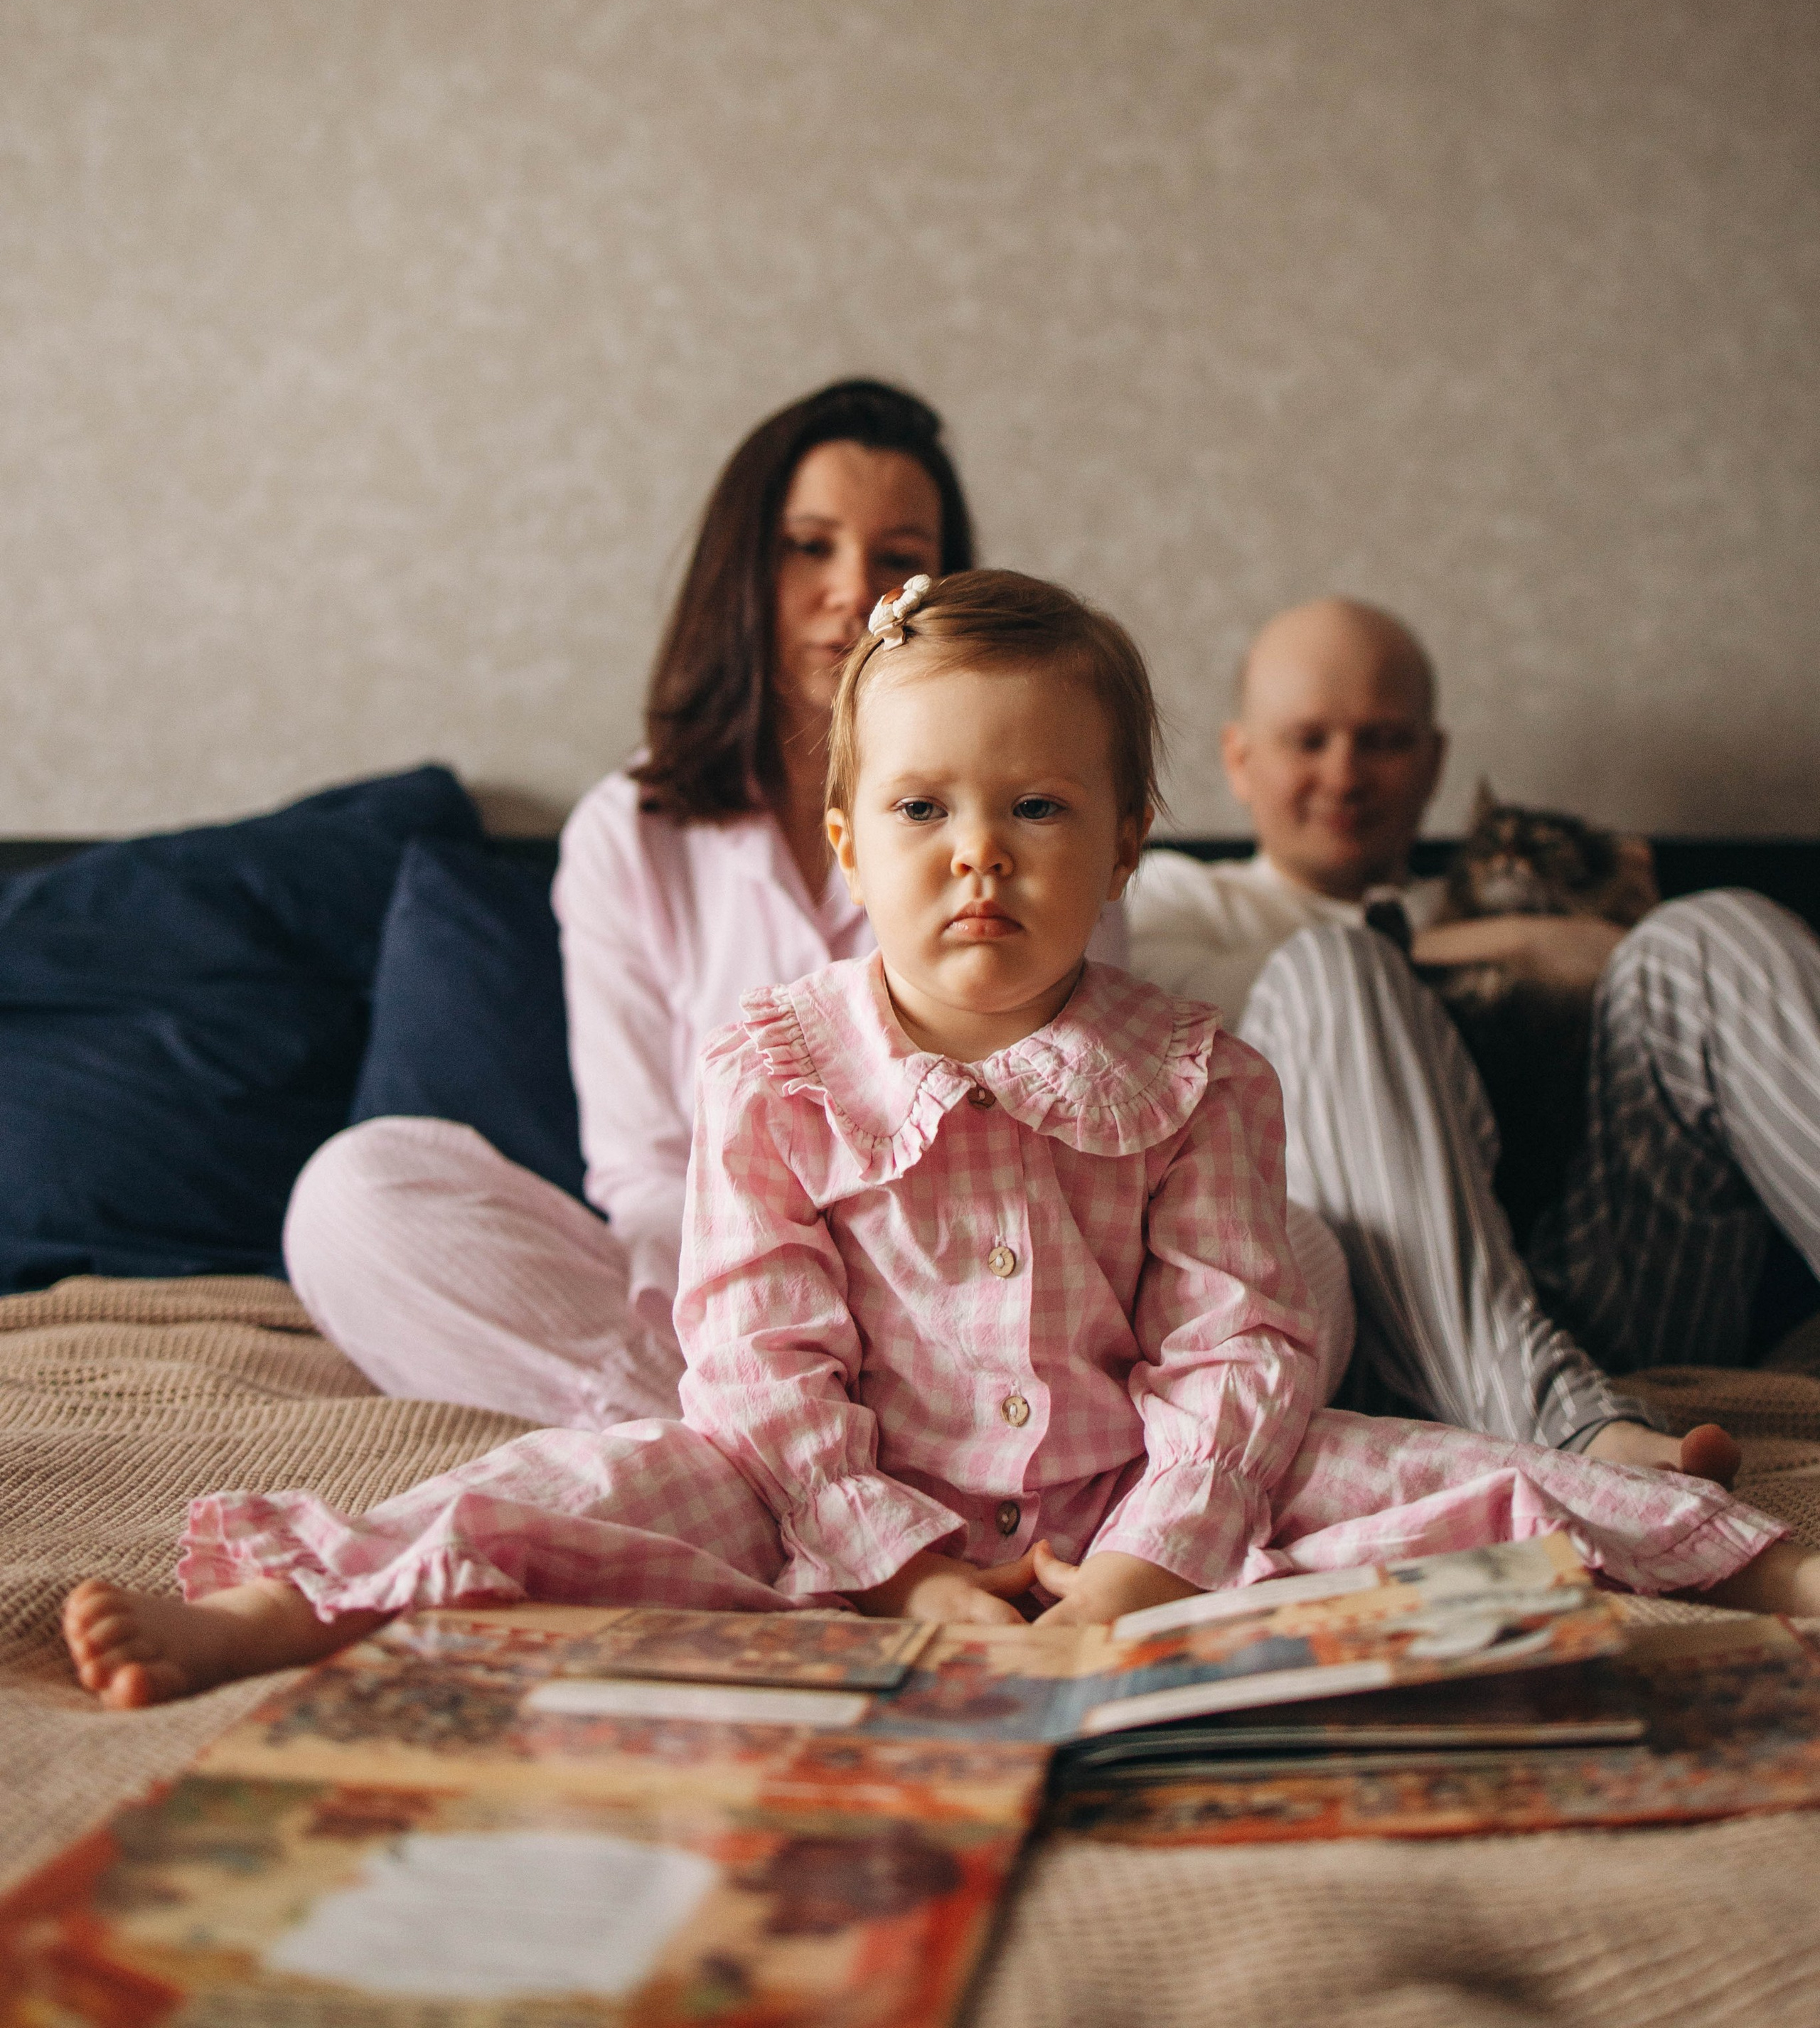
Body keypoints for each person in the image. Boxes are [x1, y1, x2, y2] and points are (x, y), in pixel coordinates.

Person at [63, 571, 1809, 1708]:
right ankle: (275, 1613)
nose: (978, 853)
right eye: (921, 808)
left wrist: (1129, 1575)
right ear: (845, 834)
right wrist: (899, 1557)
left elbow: (1244, 1345)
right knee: (558, 1485)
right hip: (826, 1496)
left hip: (1133, 1487)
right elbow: (752, 1351)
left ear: (1127, 838)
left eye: (1036, 806)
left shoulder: (1196, 1063)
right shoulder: (772, 1058)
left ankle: (1769, 1558)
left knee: (1431, 1467)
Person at [281, 378, 971, 1429]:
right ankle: (744, 1447)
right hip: (708, 1307)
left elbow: (1065, 1101)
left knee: (1292, 1243)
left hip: (972, 1295)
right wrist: (741, 1317)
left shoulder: (1019, 814)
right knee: (353, 1192)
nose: (852, 593)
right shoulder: (629, 832)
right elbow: (646, 1173)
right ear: (743, 569)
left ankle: (790, 1463)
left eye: (895, 557)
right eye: (809, 546)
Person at [1127, 594, 1820, 1477]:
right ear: (1239, 757)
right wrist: (1533, 945)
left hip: (1615, 1281)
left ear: (1433, 761)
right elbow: (1176, 1030)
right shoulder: (1173, 898)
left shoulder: (1504, 890)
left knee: (1714, 931)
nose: (1345, 775)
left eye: (1381, 740)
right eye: (1310, 740)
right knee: (1333, 969)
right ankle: (1558, 1431)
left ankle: (1574, 1413)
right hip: (1396, 1325)